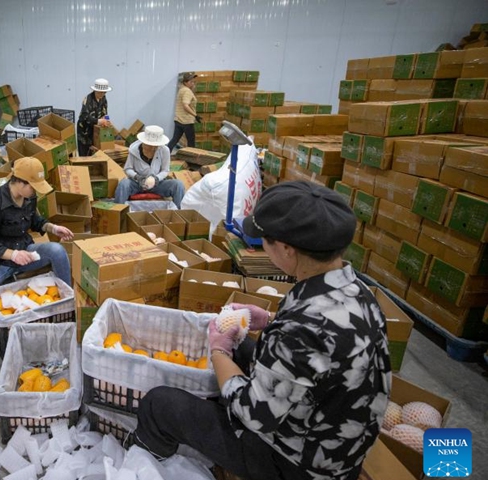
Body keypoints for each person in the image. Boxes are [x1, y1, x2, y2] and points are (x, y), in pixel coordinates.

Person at [133, 181, 391, 480]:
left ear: (286, 249)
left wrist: (218, 351)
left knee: (161, 403)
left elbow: (252, 414)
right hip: (338, 440)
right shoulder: (359, 292)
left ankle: (142, 457)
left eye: (264, 241)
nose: (260, 247)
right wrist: (271, 319)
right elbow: (324, 344)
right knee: (242, 346)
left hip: (298, 463)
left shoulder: (301, 330)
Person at [0, 157, 74, 384]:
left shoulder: (29, 197)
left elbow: (35, 221)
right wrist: (11, 255)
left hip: (24, 252)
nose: (35, 192)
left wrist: (52, 227)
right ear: (20, 183)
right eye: (32, 186)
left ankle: (68, 306)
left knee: (56, 251)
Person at [114, 125, 185, 207]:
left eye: (155, 146)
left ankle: (179, 214)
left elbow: (165, 170)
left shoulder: (164, 150)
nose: (152, 148)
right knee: (124, 184)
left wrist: (156, 178)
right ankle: (118, 213)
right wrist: (138, 177)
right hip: (137, 183)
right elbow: (128, 168)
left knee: (178, 185)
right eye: (149, 145)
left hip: (157, 184)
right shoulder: (134, 150)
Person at [77, 78, 111, 157]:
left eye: (104, 93)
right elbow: (85, 117)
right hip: (84, 130)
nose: (102, 95)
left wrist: (107, 120)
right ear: (95, 90)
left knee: (95, 150)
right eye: (100, 93)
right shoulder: (88, 100)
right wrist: (99, 121)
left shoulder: (104, 98)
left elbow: (105, 112)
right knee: (85, 152)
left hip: (95, 128)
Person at [166, 72, 199, 152]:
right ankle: (191, 161)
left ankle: (165, 155)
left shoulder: (181, 90)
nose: (192, 83)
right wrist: (195, 115)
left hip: (179, 120)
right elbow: (185, 105)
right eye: (190, 82)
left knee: (174, 140)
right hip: (187, 121)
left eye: (193, 81)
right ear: (185, 82)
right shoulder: (187, 91)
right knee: (191, 143)